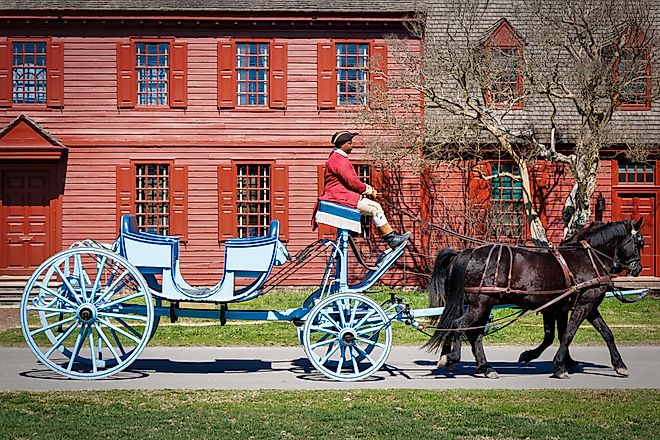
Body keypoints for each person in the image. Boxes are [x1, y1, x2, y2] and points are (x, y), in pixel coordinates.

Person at [315, 131, 411, 249]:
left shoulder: (335, 158)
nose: (352, 146)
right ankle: (391, 239)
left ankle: (390, 237)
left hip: (340, 195)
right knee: (375, 208)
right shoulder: (339, 160)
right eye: (349, 143)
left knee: (371, 206)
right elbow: (353, 182)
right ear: (342, 145)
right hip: (338, 197)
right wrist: (369, 190)